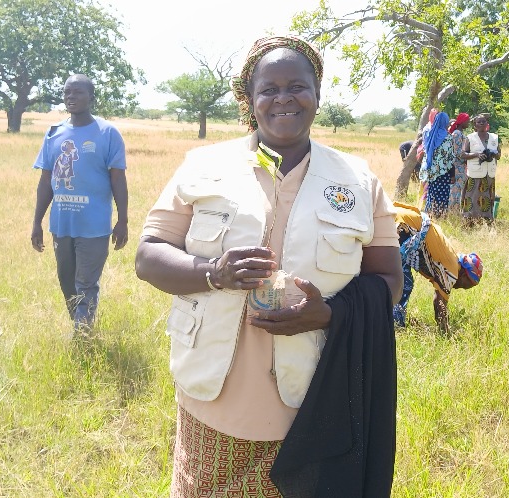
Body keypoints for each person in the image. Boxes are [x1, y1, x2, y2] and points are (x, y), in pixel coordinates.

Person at [134, 35, 403, 497]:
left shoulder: (358, 181)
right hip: (212, 399)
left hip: (313, 399)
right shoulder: (204, 166)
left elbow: (389, 280)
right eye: (268, 89)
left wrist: (331, 314)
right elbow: (148, 254)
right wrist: (212, 272)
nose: (283, 98)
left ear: (317, 94)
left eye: (297, 86)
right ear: (250, 99)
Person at [31, 74, 129, 333]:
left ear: (91, 97)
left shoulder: (107, 133)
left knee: (85, 283)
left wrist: (123, 220)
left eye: (78, 92)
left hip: (94, 227)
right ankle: (81, 326)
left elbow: (118, 178)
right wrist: (37, 223)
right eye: (67, 92)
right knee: (66, 282)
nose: (71, 97)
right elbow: (46, 181)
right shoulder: (54, 133)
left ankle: (82, 337)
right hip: (61, 225)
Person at [391, 202, 483, 334]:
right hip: (402, 225)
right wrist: (445, 332)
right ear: (464, 275)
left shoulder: (451, 259)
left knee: (396, 277)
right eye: (468, 284)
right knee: (404, 283)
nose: (463, 288)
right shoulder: (452, 270)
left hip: (400, 217)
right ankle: (395, 324)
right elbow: (439, 303)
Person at [460, 113, 501, 222]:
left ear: (487, 124)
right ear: (475, 125)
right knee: (472, 196)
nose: (482, 123)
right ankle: (470, 220)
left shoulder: (494, 137)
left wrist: (493, 154)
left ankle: (487, 220)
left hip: (489, 173)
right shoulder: (470, 138)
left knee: (488, 197)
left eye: (484, 121)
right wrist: (477, 154)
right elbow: (463, 154)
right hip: (475, 173)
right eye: (479, 122)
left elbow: (499, 155)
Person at [418, 110, 455, 216]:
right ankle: (439, 215)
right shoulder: (447, 137)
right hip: (443, 172)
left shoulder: (429, 134)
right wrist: (452, 174)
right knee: (442, 195)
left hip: (430, 171)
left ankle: (428, 214)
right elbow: (450, 158)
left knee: (431, 193)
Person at [446, 112, 473, 211]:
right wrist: (468, 157)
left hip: (461, 167)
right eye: (467, 121)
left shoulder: (460, 133)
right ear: (462, 122)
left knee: (459, 189)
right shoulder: (457, 134)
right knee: (455, 190)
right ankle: (452, 210)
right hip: (457, 167)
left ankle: (456, 210)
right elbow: (457, 152)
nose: (469, 123)